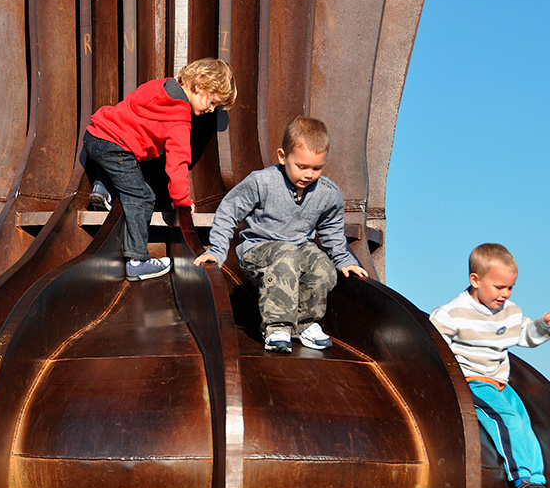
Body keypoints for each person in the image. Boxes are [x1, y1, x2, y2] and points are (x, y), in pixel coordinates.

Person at [194, 116, 368, 352]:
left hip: (299, 247)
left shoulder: (328, 193)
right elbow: (229, 211)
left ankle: (305, 323)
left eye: (317, 168)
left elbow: (331, 229)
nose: (309, 174)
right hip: (258, 249)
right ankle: (277, 327)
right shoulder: (262, 182)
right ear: (282, 156)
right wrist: (217, 250)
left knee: (322, 267)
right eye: (302, 166)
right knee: (286, 256)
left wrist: (344, 260)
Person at [429, 243, 550, 488]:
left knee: (525, 425)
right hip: (471, 382)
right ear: (475, 280)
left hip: (500, 383)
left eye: (510, 288)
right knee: (508, 421)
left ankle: (537, 487)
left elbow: (527, 335)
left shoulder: (510, 312)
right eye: (498, 287)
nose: (504, 294)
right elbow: (432, 344)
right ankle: (522, 486)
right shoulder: (452, 313)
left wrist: (546, 324)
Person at [84, 57, 237, 281]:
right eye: (212, 102)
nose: (212, 110)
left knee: (128, 157)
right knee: (142, 196)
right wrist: (182, 200)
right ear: (199, 86)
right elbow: (178, 164)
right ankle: (137, 261)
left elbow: (130, 110)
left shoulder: (159, 86)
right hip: (115, 150)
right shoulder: (179, 118)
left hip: (95, 136)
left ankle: (102, 187)